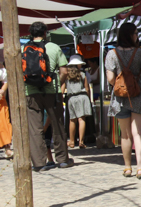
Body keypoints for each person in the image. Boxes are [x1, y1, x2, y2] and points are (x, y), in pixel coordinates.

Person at [106, 22, 141, 179]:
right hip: (139, 95)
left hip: (120, 98)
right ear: (131, 35)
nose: (137, 36)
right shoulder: (140, 53)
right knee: (138, 133)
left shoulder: (111, 54)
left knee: (125, 135)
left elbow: (110, 78)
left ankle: (127, 167)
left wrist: (121, 84)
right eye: (135, 33)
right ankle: (140, 168)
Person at [25, 22, 71, 171]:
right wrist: (59, 84)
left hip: (31, 92)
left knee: (35, 128)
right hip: (52, 90)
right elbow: (64, 71)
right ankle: (62, 159)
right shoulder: (54, 47)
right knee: (57, 125)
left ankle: (39, 162)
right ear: (45, 32)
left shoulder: (23, 48)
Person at [62, 55, 92, 149]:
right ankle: (81, 141)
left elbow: (62, 88)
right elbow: (87, 88)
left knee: (72, 120)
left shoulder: (66, 76)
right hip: (82, 97)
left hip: (71, 98)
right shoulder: (83, 74)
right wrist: (88, 99)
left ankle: (71, 141)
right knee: (81, 119)